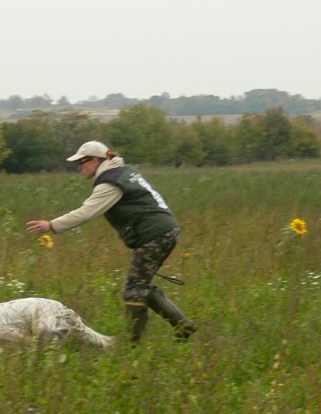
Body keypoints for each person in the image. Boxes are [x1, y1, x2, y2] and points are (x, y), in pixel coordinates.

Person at [26, 141, 196, 343]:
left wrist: (52, 225)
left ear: (96, 160)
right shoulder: (123, 172)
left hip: (156, 234)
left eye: (82, 162)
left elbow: (87, 212)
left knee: (133, 290)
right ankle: (181, 325)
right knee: (140, 284)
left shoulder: (110, 182)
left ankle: (132, 343)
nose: (79, 167)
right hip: (163, 230)